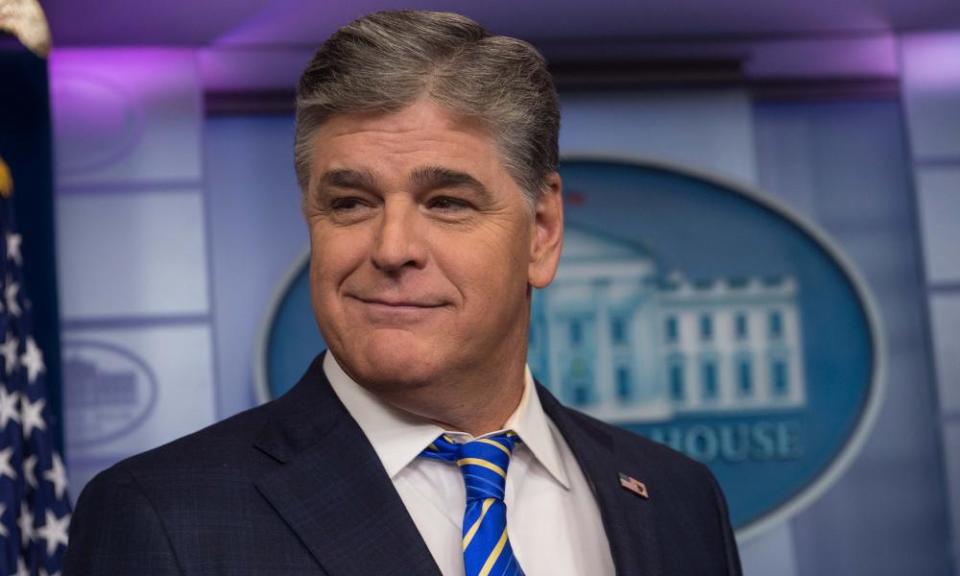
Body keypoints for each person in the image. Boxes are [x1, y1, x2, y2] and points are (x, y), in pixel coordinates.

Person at [65, 10, 741, 576]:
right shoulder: (164, 516)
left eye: (446, 202)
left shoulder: (678, 501)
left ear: (541, 231)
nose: (391, 249)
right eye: (352, 203)